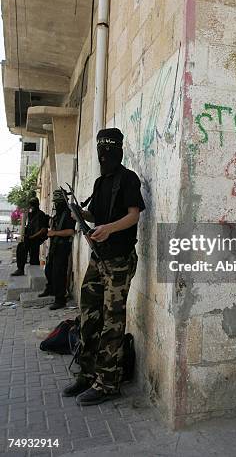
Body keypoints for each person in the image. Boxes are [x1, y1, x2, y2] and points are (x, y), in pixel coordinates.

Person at [63, 127, 145, 406]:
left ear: (118, 149)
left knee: (112, 320)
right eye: (101, 150)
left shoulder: (128, 179)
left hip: (119, 261)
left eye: (109, 149)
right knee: (89, 315)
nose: (104, 155)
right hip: (98, 259)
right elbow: (94, 213)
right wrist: (76, 210)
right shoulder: (100, 183)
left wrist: (109, 229)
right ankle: (87, 374)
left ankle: (108, 383)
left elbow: (133, 216)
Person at [38, 190, 76, 310]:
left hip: (63, 248)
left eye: (59, 202)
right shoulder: (58, 215)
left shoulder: (68, 213)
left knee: (58, 274)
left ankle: (60, 300)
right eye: (56, 202)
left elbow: (71, 231)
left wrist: (54, 233)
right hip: (54, 246)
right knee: (49, 270)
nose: (57, 204)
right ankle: (50, 290)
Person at [10, 197, 48, 276]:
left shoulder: (41, 214)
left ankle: (34, 274)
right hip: (29, 238)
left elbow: (43, 230)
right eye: (31, 205)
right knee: (21, 248)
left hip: (36, 238)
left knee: (33, 257)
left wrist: (33, 236)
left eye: (33, 205)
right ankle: (21, 269)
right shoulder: (31, 214)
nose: (31, 207)